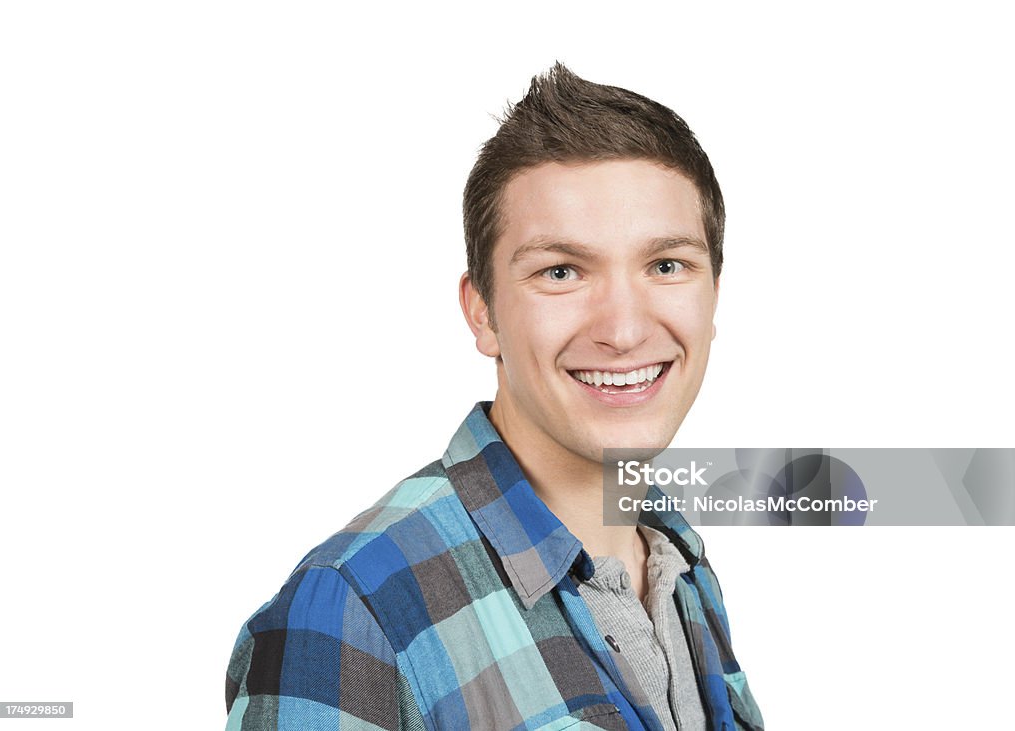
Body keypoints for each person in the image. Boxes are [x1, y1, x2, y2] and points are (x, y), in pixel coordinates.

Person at [225, 63, 764, 731]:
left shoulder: (678, 561)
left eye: (666, 265)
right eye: (561, 271)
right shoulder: (353, 609)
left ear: (712, 294)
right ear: (482, 313)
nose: (624, 329)